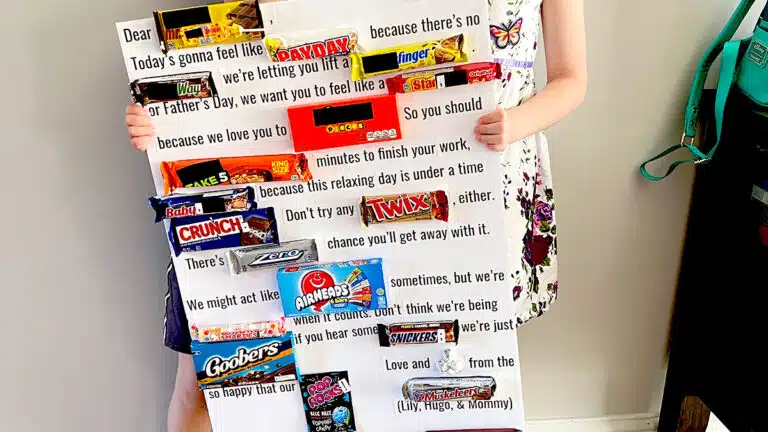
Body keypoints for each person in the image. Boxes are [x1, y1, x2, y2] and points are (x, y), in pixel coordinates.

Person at [125, 0, 586, 430]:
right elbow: (247, 55)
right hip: (316, 182)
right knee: (222, 374)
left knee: (445, 372)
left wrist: (515, 123)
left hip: (468, 194)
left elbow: (571, 79)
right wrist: (169, 120)